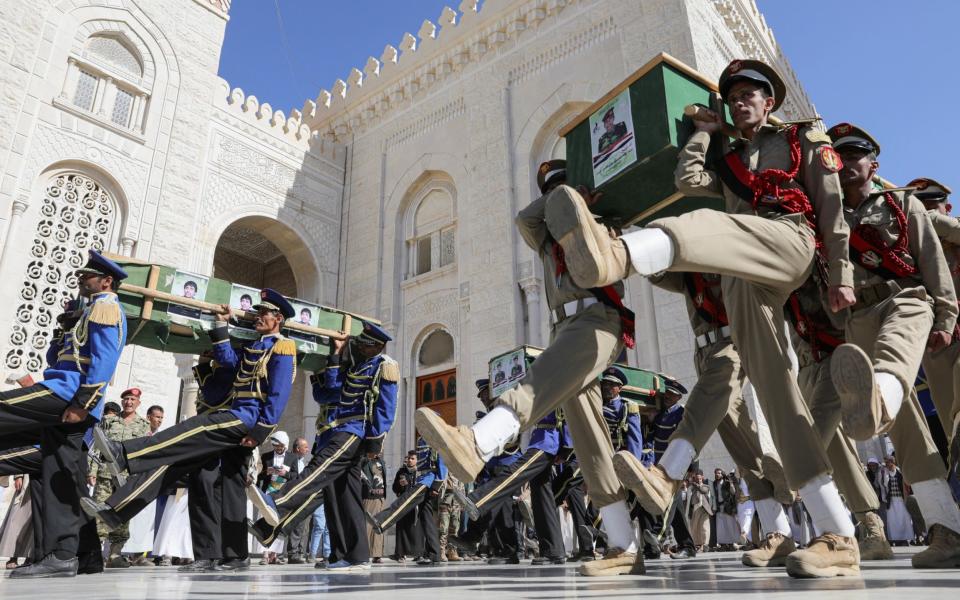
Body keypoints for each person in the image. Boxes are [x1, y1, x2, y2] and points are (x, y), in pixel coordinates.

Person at [553, 58, 871, 578]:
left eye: (751, 94)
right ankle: (836, 531)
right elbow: (688, 176)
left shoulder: (798, 139)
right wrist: (703, 133)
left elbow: (830, 206)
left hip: (790, 239)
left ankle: (618, 254)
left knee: (703, 222)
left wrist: (841, 273)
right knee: (773, 388)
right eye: (735, 96)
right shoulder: (726, 155)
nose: (742, 101)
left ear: (769, 102)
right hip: (745, 272)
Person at [416, 158, 644, 576]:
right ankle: (623, 545)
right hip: (565, 326)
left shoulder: (602, 225)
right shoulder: (546, 237)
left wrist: (581, 205)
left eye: (562, 188)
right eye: (549, 189)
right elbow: (525, 218)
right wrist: (562, 196)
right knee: (591, 441)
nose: (555, 197)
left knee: (536, 383)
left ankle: (479, 440)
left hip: (599, 321)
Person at [83, 288, 297, 573]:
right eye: (257, 312)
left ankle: (124, 454)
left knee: (188, 431)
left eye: (264, 313)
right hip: (238, 417)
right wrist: (220, 326)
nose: (258, 317)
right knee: (213, 483)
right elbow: (230, 363)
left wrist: (260, 432)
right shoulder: (254, 346)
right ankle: (223, 555)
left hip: (246, 417)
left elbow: (279, 394)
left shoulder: (282, 347)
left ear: (278, 318)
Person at [826, 123, 960, 567]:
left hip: (905, 298)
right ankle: (947, 528)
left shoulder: (903, 204)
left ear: (873, 165)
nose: (845, 165)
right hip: (856, 317)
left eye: (854, 156)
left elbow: (932, 261)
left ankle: (875, 399)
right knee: (905, 431)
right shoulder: (828, 217)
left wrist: (946, 315)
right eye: (838, 157)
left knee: (891, 364)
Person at [0, 250, 127, 578]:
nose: (81, 279)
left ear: (106, 280)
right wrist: (65, 328)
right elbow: (57, 359)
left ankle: (63, 554)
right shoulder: (88, 311)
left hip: (68, 395)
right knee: (59, 476)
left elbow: (104, 361)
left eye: (87, 276)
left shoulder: (106, 306)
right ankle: (61, 554)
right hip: (64, 389)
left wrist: (82, 403)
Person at [248, 321, 398, 571]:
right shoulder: (356, 366)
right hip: (339, 428)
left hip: (355, 430)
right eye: (359, 343)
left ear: (377, 346)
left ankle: (278, 502)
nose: (359, 347)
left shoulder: (385, 366)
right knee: (342, 496)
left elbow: (386, 408)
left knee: (319, 468)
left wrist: (375, 442)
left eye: (365, 344)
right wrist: (337, 353)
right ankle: (353, 555)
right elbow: (331, 391)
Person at [910, 177, 960, 476]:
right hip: (938, 341)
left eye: (933, 205)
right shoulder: (911, 246)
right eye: (920, 207)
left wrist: (929, 219)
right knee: (950, 426)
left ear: (947, 207)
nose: (927, 212)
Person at [89, 387, 151, 568]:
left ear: (138, 403)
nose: (128, 402)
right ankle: (94, 553)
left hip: (127, 477)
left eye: (132, 399)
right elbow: (97, 447)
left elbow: (144, 451)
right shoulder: (109, 421)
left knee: (123, 513)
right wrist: (92, 470)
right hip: (106, 474)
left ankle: (114, 555)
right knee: (99, 509)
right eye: (126, 399)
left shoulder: (143, 425)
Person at [368, 436, 447, 565]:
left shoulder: (437, 439)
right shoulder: (422, 439)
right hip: (424, 478)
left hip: (428, 481)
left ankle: (381, 521)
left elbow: (443, 465)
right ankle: (434, 554)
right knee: (427, 519)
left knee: (404, 502)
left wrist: (436, 486)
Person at [390, 451, 420, 562]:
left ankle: (418, 553)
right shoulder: (401, 471)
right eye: (408, 458)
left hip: (416, 504)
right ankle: (400, 554)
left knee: (416, 529)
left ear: (417, 460)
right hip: (403, 503)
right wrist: (399, 485)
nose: (410, 460)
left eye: (412, 458)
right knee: (402, 528)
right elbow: (394, 488)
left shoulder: (420, 472)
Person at [360, 453, 386, 563]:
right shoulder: (364, 460)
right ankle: (364, 553)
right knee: (367, 526)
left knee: (379, 526)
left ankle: (377, 554)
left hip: (381, 497)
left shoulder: (382, 461)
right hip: (368, 497)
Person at [685, 471, 715, 552]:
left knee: (705, 526)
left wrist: (695, 484)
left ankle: (705, 544)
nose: (698, 479)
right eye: (697, 478)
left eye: (700, 477)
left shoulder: (706, 486)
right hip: (695, 507)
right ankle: (697, 544)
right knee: (694, 527)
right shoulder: (691, 487)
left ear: (702, 477)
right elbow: (687, 495)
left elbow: (703, 490)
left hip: (704, 508)